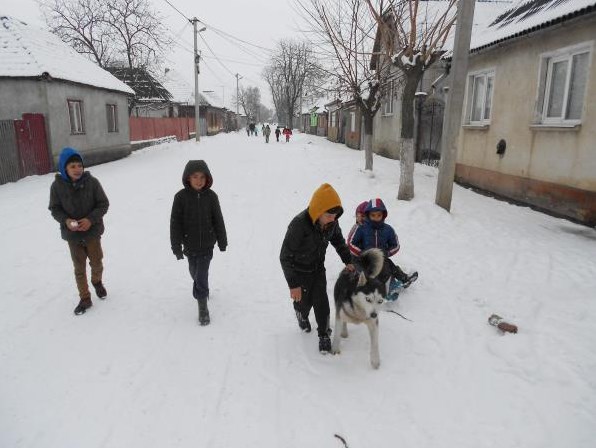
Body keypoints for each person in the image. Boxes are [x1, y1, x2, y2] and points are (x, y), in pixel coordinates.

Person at [280, 183, 354, 353]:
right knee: (304, 304)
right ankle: (300, 313)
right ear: (318, 211)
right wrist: (293, 285)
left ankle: (324, 334)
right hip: (299, 272)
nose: (333, 219)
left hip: (318, 269)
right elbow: (284, 257)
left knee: (322, 303)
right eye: (329, 215)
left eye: (335, 216)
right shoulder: (299, 225)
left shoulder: (332, 224)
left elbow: (339, 242)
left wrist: (348, 260)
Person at [49, 147, 110, 315]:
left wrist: (90, 219)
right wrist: (66, 220)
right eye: (72, 166)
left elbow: (103, 204)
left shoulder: (92, 183)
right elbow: (54, 208)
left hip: (92, 233)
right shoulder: (57, 186)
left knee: (97, 263)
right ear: (64, 169)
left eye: (79, 165)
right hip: (73, 236)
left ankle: (97, 282)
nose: (77, 169)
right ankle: (85, 298)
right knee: (79, 268)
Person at [170, 160, 227, 326]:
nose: (199, 180)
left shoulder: (211, 197)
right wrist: (176, 246)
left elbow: (218, 220)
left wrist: (222, 240)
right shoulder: (180, 198)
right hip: (189, 245)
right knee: (195, 272)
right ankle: (202, 286)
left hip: (207, 245)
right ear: (188, 178)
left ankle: (202, 306)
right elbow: (175, 223)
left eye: (202, 177)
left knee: (201, 272)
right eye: (195, 177)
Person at [348, 198, 418, 300]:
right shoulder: (360, 228)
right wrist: (363, 253)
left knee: (388, 267)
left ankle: (399, 282)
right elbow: (350, 243)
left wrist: (387, 252)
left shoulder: (387, 230)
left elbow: (396, 245)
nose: (376, 218)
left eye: (379, 215)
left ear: (383, 215)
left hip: (379, 258)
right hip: (362, 260)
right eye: (373, 215)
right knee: (364, 274)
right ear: (368, 215)